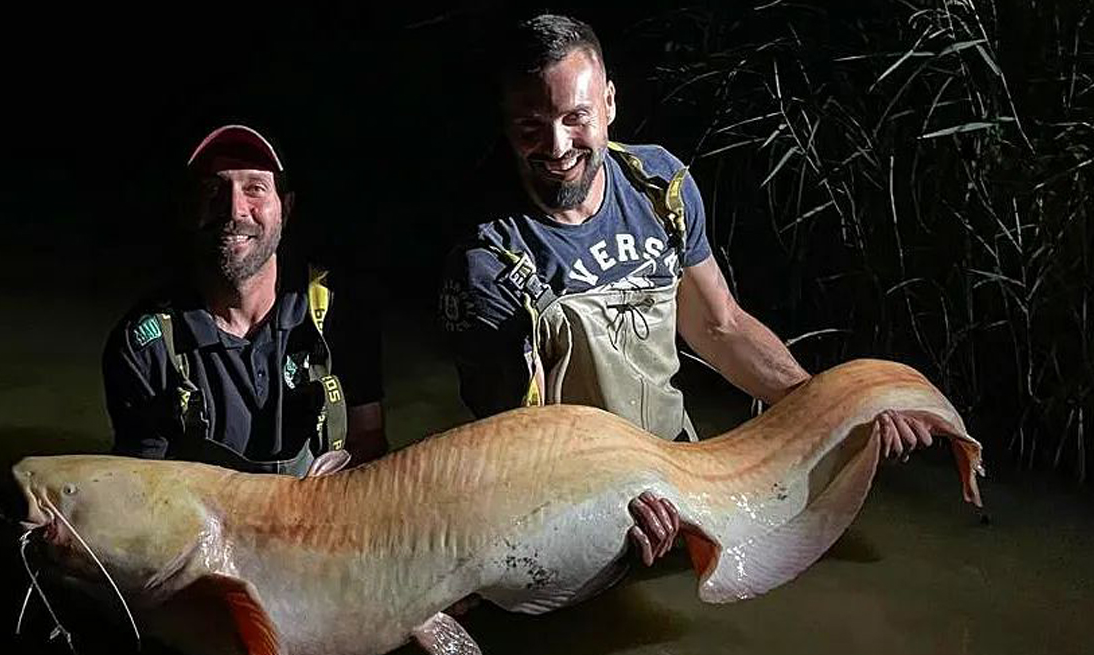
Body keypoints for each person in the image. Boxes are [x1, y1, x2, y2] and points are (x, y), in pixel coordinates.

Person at [440, 15, 930, 473]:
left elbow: (721, 327)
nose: (558, 145)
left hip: (679, 463)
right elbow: (517, 452)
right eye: (531, 127)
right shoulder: (487, 262)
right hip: (578, 488)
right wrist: (613, 496)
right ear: (507, 126)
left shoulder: (658, 186)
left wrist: (829, 405)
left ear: (610, 103)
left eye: (576, 118)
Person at [102, 124, 387, 478]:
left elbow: (370, 443)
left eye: (254, 188)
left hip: (321, 523)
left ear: (285, 207)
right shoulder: (145, 345)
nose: (234, 209)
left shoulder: (339, 312)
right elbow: (145, 494)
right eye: (214, 189)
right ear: (191, 208)